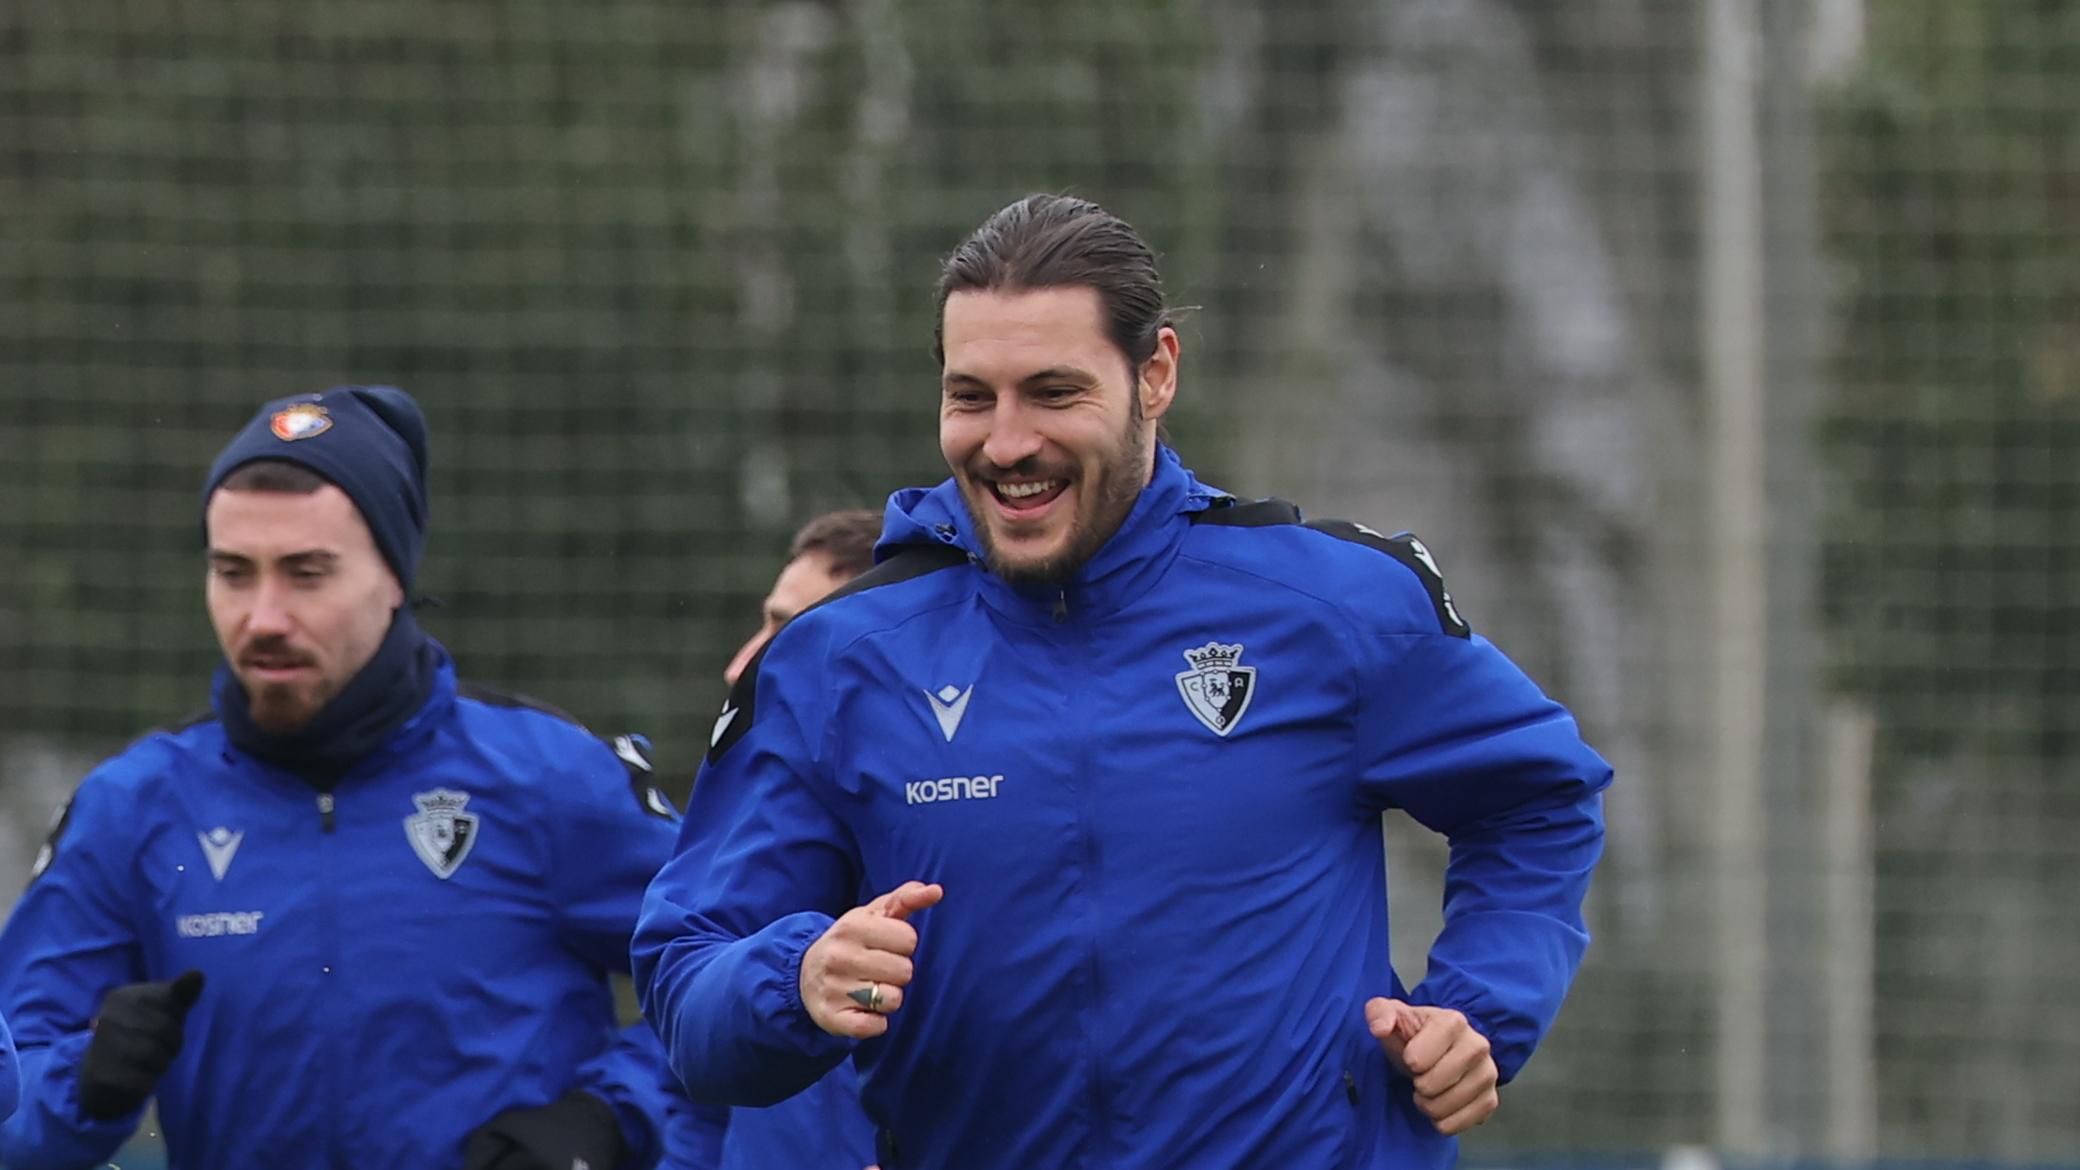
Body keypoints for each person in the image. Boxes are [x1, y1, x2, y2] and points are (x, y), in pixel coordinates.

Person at [635, 195, 1612, 1170]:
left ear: (1155, 375)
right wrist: (793, 978)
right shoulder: (835, 660)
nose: (1006, 443)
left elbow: (1537, 803)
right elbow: (687, 982)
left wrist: (1477, 1011)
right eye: (971, 396)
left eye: (1053, 392)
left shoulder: (1331, 608)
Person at [0, 385, 709, 1170]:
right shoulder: (133, 806)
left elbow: (732, 984)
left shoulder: (551, 775)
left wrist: (609, 1118)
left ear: (396, 576)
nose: (263, 616)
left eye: (306, 574)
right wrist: (86, 1083)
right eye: (234, 573)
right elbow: (14, 1088)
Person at [713, 509, 883, 1170]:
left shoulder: (972, 846)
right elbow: (681, 1064)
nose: (737, 668)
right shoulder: (735, 849)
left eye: (786, 631)